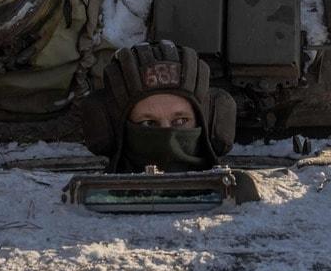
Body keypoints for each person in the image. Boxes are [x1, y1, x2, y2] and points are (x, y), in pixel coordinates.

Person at [79, 41, 235, 173]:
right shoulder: (80, 203)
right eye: (148, 123)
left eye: (180, 121)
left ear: (206, 123)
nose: (167, 137)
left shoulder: (243, 198)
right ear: (115, 130)